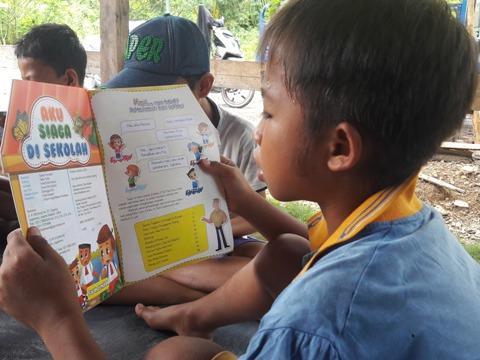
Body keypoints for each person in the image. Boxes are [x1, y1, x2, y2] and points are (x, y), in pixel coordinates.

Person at [1, 0, 480, 359]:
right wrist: (246, 202)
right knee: (283, 257)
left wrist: (57, 318)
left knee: (170, 355)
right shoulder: (407, 221)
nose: (258, 131)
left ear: (339, 148)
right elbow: (307, 245)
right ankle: (190, 316)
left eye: (269, 112)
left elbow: (316, 315)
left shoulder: (309, 327)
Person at [104, 15, 267, 306]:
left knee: (268, 261)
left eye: (162, 94)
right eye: (138, 90)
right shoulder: (131, 132)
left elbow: (254, 216)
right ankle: (196, 297)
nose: (145, 103)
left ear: (203, 86)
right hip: (149, 246)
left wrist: (198, 237)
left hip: (212, 246)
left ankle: (171, 286)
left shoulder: (237, 135)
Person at [0, 23, 87, 248]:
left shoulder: (88, 124)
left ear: (69, 79)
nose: (24, 91)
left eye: (30, 81)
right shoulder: (34, 123)